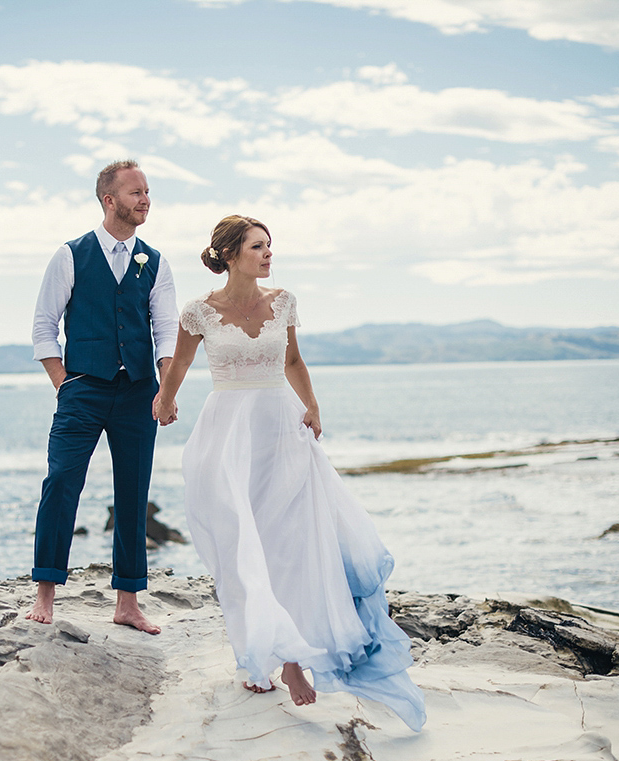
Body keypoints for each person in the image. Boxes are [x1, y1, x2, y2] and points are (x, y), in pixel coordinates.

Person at [153, 215, 425, 729]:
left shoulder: (284, 302)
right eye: (258, 247)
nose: (268, 254)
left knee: (291, 546)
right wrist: (165, 400)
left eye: (269, 246)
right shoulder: (198, 312)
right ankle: (253, 653)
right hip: (228, 436)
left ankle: (295, 661)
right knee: (240, 550)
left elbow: (294, 360)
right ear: (230, 254)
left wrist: (313, 406)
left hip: (282, 431)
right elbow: (182, 366)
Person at [27, 160, 178, 634]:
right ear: (109, 200)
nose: (145, 199)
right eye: (136, 192)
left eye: (148, 191)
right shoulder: (71, 256)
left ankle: (128, 602)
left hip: (138, 392)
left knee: (133, 493)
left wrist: (166, 391)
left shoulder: (155, 261)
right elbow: (43, 328)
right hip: (82, 390)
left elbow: (167, 331)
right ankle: (45, 593)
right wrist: (63, 384)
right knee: (61, 484)